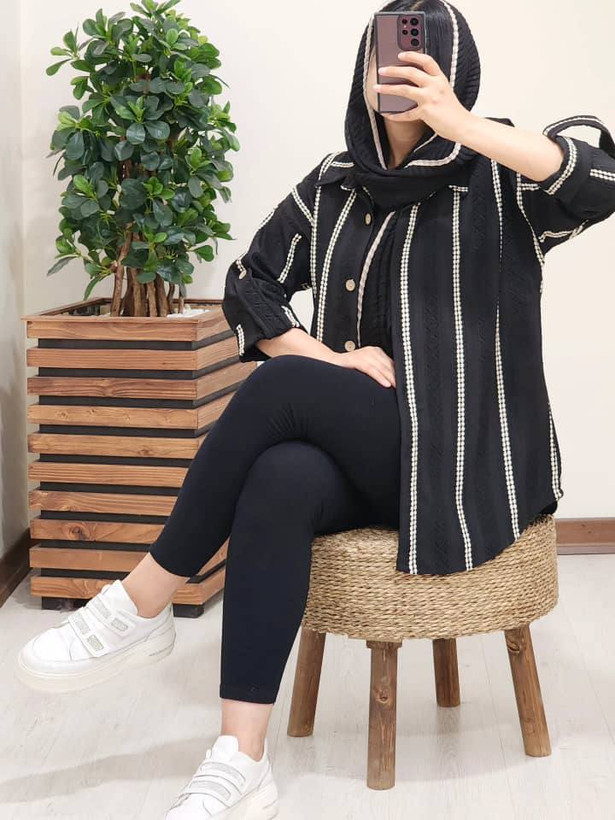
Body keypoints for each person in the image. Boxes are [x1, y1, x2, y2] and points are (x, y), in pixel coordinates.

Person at [15, 1, 615, 817]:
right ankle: (240, 759)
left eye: (422, 57)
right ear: (363, 71)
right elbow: (248, 285)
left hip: (466, 461)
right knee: (282, 475)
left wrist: (460, 124)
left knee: (276, 386)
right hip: (368, 457)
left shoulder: (499, 174)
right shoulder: (333, 184)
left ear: (455, 71)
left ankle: (142, 600)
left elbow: (599, 179)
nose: (397, 71)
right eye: (383, 55)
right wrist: (333, 361)